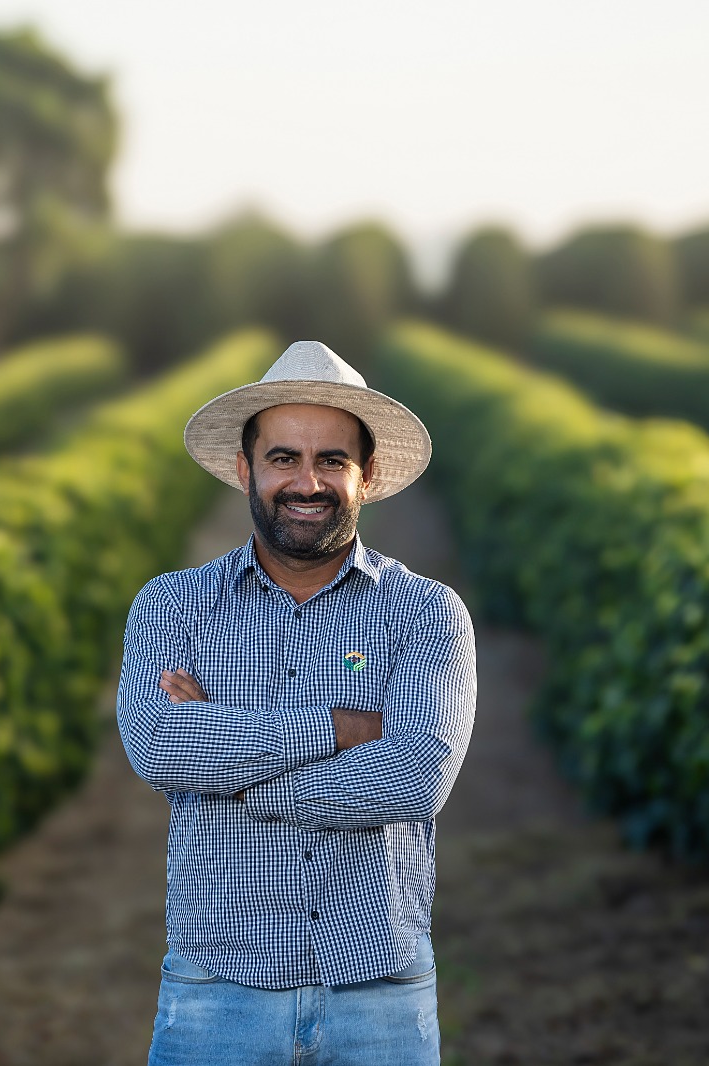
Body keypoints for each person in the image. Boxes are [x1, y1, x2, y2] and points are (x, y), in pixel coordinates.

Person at [117, 339, 477, 1065]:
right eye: (283, 457)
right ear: (244, 469)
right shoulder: (172, 605)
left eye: (331, 461)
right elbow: (157, 747)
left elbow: (416, 777)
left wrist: (226, 768)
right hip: (215, 991)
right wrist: (339, 730)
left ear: (367, 475)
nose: (306, 482)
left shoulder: (427, 613)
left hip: (381, 997)